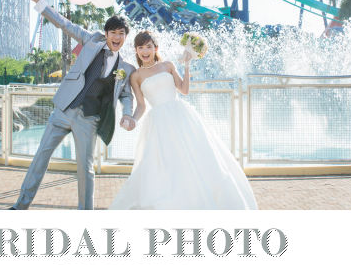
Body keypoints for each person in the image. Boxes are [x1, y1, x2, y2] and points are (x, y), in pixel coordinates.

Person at [9, 0, 136, 210]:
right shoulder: (92, 41)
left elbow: (126, 95)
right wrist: (38, 1)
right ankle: (19, 207)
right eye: (113, 32)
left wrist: (127, 114)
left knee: (85, 169)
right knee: (40, 157)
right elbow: (64, 24)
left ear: (125, 37)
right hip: (64, 109)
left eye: (121, 34)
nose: (117, 37)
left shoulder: (125, 67)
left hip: (89, 119)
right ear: (106, 34)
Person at [109, 31, 258, 210]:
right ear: (136, 51)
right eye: (140, 47)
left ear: (155, 48)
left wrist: (187, 65)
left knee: (196, 159)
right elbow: (141, 105)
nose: (145, 51)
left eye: (148, 46)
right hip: (158, 124)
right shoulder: (136, 76)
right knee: (165, 165)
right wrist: (132, 120)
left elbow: (184, 90)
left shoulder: (168, 65)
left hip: (180, 116)